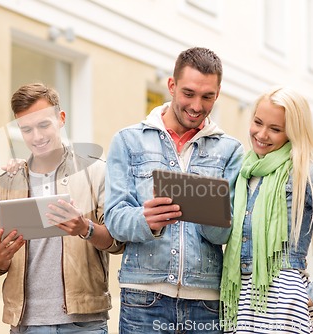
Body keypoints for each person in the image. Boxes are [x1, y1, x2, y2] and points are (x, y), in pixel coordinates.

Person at [104, 46, 244, 333]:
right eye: (188, 93)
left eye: (207, 97)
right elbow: (115, 219)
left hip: (205, 302)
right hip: (143, 299)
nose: (196, 106)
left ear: (217, 94)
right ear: (172, 85)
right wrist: (146, 221)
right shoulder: (128, 141)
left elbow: (226, 234)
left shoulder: (230, 150)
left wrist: (208, 213)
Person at [220, 86, 313, 333]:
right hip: (240, 300)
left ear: (293, 132)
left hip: (283, 303)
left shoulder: (307, 171)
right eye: (257, 122)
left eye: (275, 129)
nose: (261, 134)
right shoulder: (243, 170)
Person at [0, 83, 124, 334]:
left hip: (83, 323)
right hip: (26, 323)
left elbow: (118, 242)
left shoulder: (96, 172)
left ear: (61, 119)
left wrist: (86, 228)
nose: (37, 137)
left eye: (43, 125)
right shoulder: (7, 183)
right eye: (27, 129)